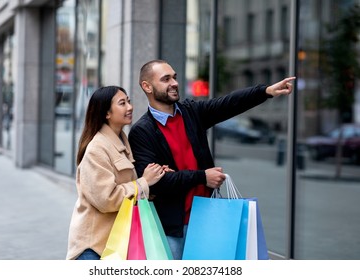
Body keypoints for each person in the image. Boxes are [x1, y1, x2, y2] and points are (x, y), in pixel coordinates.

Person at [128, 59, 295, 260]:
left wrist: (265, 91)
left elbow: (228, 104)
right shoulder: (142, 132)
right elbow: (156, 184)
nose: (174, 83)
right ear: (147, 86)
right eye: (166, 79)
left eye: (174, 77)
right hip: (171, 229)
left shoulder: (191, 112)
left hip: (207, 219)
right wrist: (202, 177)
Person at [66, 85, 170, 260]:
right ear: (107, 113)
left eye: (128, 101)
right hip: (94, 248)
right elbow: (107, 199)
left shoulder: (122, 142)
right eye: (122, 103)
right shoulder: (97, 148)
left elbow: (130, 187)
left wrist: (155, 175)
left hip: (117, 244)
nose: (130, 107)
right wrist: (144, 182)